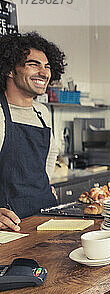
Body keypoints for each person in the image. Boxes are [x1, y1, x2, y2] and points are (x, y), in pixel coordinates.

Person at [0, 32, 65, 231]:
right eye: (33, 64)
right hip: (12, 227)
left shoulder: (42, 113)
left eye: (47, 67)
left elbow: (50, 156)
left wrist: (41, 188)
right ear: (10, 69)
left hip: (46, 215)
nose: (44, 73)